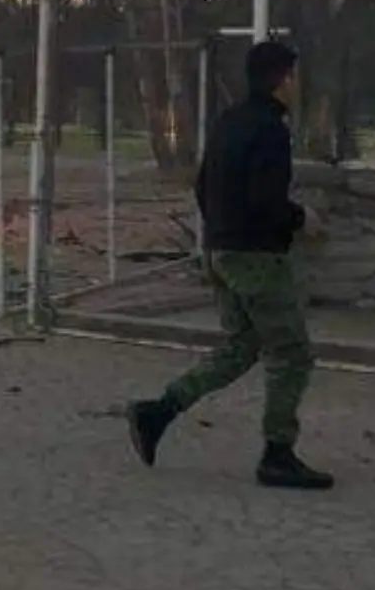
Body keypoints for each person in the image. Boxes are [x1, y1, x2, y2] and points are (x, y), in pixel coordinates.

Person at [125, 41, 333, 490]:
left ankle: (157, 412)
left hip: (222, 252)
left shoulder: (229, 122)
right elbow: (266, 200)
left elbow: (202, 186)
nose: (298, 85)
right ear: (283, 78)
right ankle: (278, 454)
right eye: (295, 77)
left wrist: (220, 233)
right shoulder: (271, 129)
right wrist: (301, 219)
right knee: (292, 353)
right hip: (257, 258)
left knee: (242, 347)